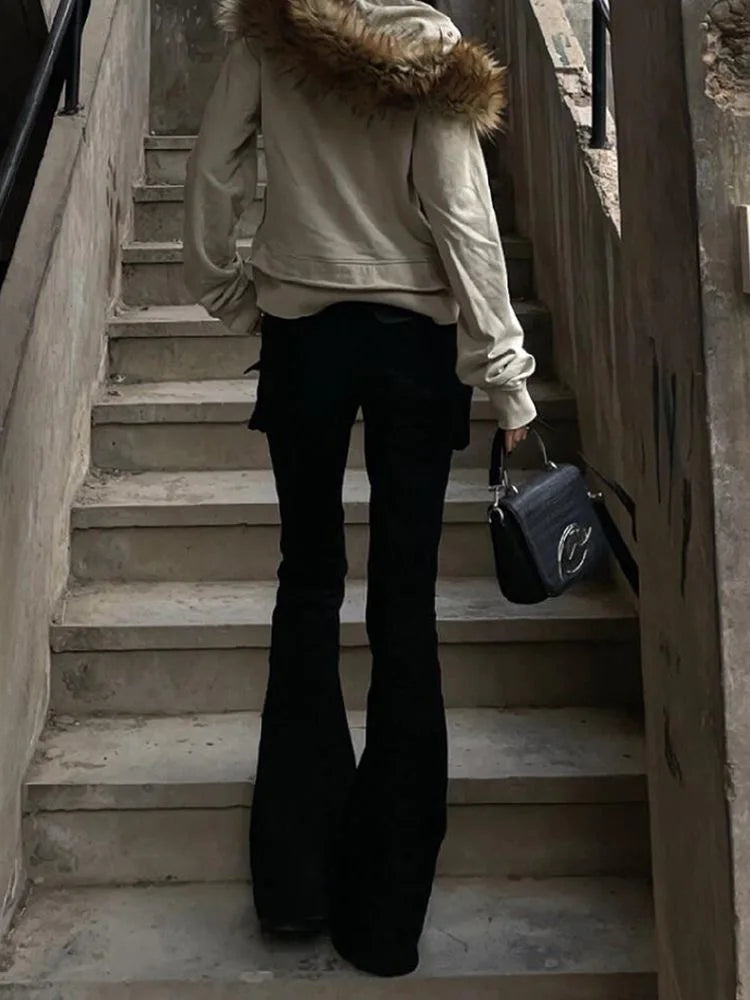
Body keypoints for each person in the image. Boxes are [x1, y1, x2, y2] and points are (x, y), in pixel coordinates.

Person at [183, 0, 536, 979]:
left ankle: (296, 882)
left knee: (307, 585)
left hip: (304, 339)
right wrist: (505, 373)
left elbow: (213, 170)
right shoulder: (431, 44)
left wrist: (229, 292)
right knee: (403, 607)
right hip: (413, 347)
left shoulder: (269, 30)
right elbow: (462, 215)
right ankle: (384, 917)